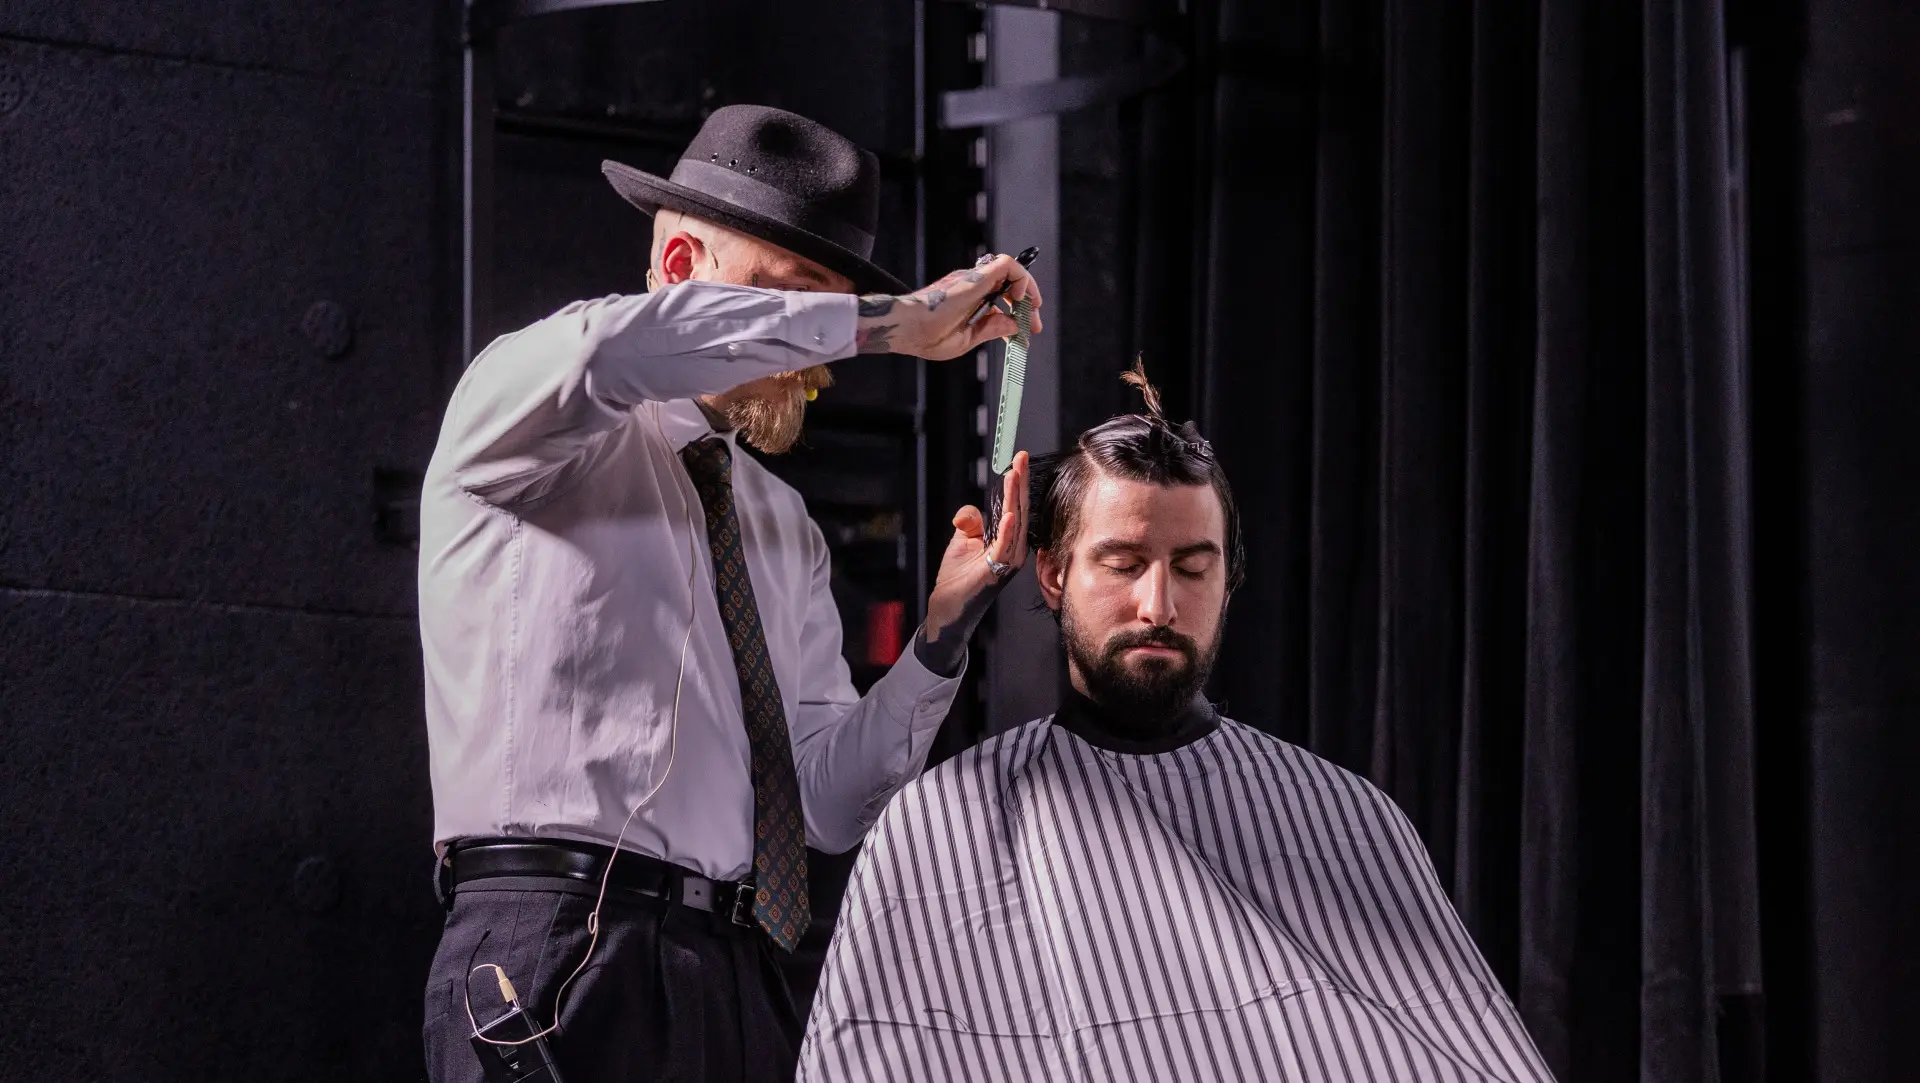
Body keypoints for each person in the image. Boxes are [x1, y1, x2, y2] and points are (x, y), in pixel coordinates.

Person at [416, 104, 1043, 1083]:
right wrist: (892, 323)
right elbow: (609, 354)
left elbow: (826, 805)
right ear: (678, 266)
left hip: (739, 973)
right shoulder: (517, 417)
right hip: (557, 951)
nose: (816, 353)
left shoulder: (783, 523)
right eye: (789, 305)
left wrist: (939, 638)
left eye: (829, 316)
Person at [797, 364, 1554, 1082]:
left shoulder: (1348, 816)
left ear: (1229, 581)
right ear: (1054, 574)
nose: (1158, 606)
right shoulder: (943, 821)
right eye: (1124, 564)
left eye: (1192, 568)